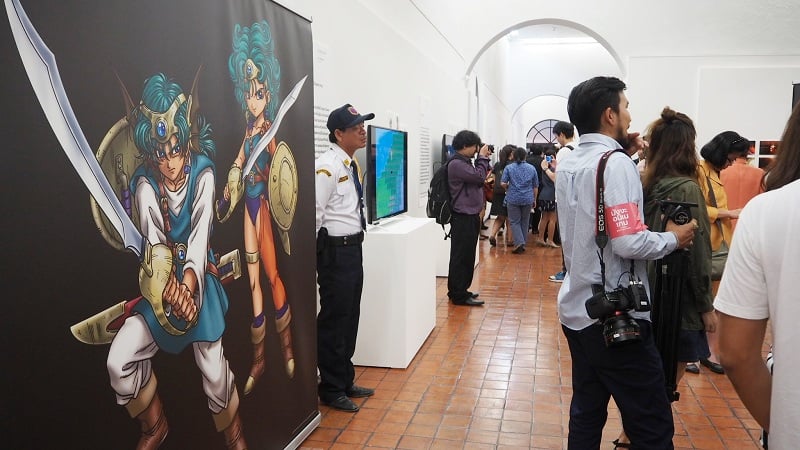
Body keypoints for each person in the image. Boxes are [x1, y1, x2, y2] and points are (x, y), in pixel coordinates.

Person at [106, 73, 246, 449]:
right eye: (160, 153)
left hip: (199, 284)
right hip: (161, 287)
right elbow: (154, 241)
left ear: (185, 140)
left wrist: (188, 287)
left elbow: (199, 238)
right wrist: (168, 289)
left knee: (214, 371)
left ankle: (235, 438)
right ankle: (154, 425)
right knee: (119, 361)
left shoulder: (203, 173)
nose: (168, 162)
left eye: (175, 149)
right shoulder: (144, 183)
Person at [555, 76, 696, 449]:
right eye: (626, 107)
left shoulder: (569, 160)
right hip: (615, 316)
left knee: (586, 413)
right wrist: (673, 238)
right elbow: (627, 240)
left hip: (577, 308)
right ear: (609, 114)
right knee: (651, 423)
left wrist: (623, 154)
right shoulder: (614, 164)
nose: (630, 116)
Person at [715, 103, 800, 449]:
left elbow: (736, 353)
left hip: (744, 238)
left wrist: (783, 426)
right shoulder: (754, 176)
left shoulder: (765, 205)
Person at [221, 21, 296, 397]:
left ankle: (287, 350)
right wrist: (232, 178)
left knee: (272, 276)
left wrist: (267, 166)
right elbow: (238, 161)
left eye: (260, 94)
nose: (253, 101)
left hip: (264, 208)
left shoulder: (269, 134)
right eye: (249, 95)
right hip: (247, 210)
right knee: (252, 283)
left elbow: (282, 172)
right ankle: (259, 360)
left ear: (268, 94)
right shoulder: (249, 132)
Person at [641, 107, 716, 390]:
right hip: (677, 297)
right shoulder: (687, 189)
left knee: (650, 374)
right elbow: (697, 254)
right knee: (667, 381)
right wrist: (705, 306)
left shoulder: (646, 186)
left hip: (648, 291)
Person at [315, 103, 376, 412]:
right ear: (338, 134)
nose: (362, 132)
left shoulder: (350, 164)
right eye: (356, 128)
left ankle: (344, 379)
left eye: (362, 126)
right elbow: (314, 215)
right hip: (335, 253)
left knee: (350, 316)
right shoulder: (327, 167)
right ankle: (330, 387)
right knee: (335, 319)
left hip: (353, 249)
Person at [693, 131, 750, 374]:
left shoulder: (713, 172)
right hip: (707, 244)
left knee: (713, 302)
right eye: (730, 158)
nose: (731, 163)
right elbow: (697, 208)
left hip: (719, 243)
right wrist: (729, 213)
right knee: (703, 300)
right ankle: (699, 353)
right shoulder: (699, 170)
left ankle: (705, 351)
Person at [446, 130, 492, 306]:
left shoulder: (463, 162)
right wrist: (482, 158)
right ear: (465, 146)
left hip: (468, 216)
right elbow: (479, 177)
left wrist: (481, 159)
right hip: (463, 217)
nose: (476, 150)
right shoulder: (457, 164)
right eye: (475, 146)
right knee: (462, 257)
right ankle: (458, 294)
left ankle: (460, 290)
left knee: (465, 256)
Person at [549, 121, 576, 282]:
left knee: (565, 236)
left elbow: (557, 180)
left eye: (557, 136)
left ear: (561, 134)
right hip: (576, 198)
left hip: (564, 200)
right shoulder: (578, 148)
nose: (557, 140)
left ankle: (566, 271)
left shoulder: (564, 151)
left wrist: (546, 169)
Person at [501, 146, 538, 254]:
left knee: (514, 221)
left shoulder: (509, 168)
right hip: (527, 198)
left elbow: (503, 183)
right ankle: (522, 243)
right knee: (525, 221)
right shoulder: (531, 168)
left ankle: (519, 243)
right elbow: (535, 186)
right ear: (525, 156)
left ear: (514, 156)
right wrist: (534, 199)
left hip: (513, 197)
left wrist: (508, 187)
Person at [720, 154, 764, 232]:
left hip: (724, 224)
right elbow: (762, 203)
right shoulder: (760, 173)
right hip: (750, 225)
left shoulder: (721, 172)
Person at [488, 145, 514, 246]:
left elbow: (492, 178)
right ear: (511, 154)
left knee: (500, 217)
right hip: (508, 192)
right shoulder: (512, 165)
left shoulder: (497, 164)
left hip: (497, 193)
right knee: (510, 218)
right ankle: (510, 240)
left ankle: (492, 235)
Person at [535, 148, 559, 248]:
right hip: (552, 195)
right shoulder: (553, 168)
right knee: (553, 219)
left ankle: (541, 238)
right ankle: (550, 240)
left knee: (544, 218)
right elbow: (555, 179)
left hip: (543, 194)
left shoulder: (544, 166)